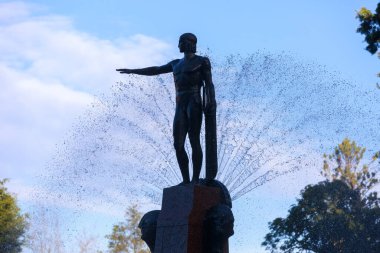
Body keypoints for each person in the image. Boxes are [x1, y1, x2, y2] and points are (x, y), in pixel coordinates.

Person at [116, 33, 216, 184]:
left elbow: (209, 84)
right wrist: (133, 71)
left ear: (189, 43)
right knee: (178, 144)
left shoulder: (202, 61)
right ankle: (185, 180)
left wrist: (211, 102)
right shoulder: (176, 63)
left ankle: (195, 178)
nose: (178, 46)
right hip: (180, 104)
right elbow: (156, 70)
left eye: (180, 42)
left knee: (194, 140)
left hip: (194, 101)